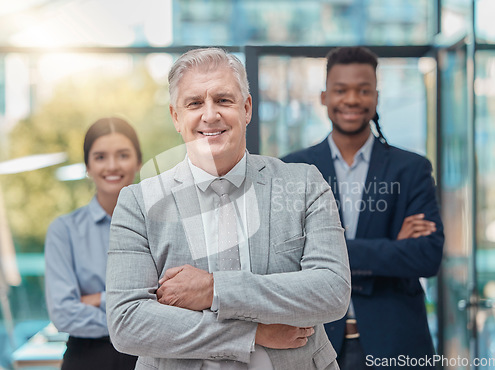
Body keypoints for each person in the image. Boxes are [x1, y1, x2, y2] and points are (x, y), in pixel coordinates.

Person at [105, 47, 351, 370]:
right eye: (194, 103)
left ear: (246, 108)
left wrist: (214, 289)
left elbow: (331, 291)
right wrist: (251, 333)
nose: (210, 115)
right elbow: (127, 323)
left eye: (223, 100)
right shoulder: (138, 202)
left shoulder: (304, 184)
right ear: (176, 117)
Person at [282, 46, 445, 369]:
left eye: (363, 90)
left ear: (376, 97)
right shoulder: (293, 169)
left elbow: (426, 256)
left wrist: (326, 254)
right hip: (313, 345)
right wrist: (392, 249)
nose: (352, 100)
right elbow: (283, 258)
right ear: (324, 97)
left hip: (396, 343)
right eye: (341, 90)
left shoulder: (411, 169)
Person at [45, 117, 141, 370]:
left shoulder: (161, 225)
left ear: (138, 161)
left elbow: (172, 300)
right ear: (87, 166)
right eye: (100, 157)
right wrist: (135, 314)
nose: (112, 166)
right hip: (88, 359)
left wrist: (97, 298)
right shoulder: (64, 231)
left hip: (150, 358)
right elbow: (63, 312)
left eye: (122, 155)